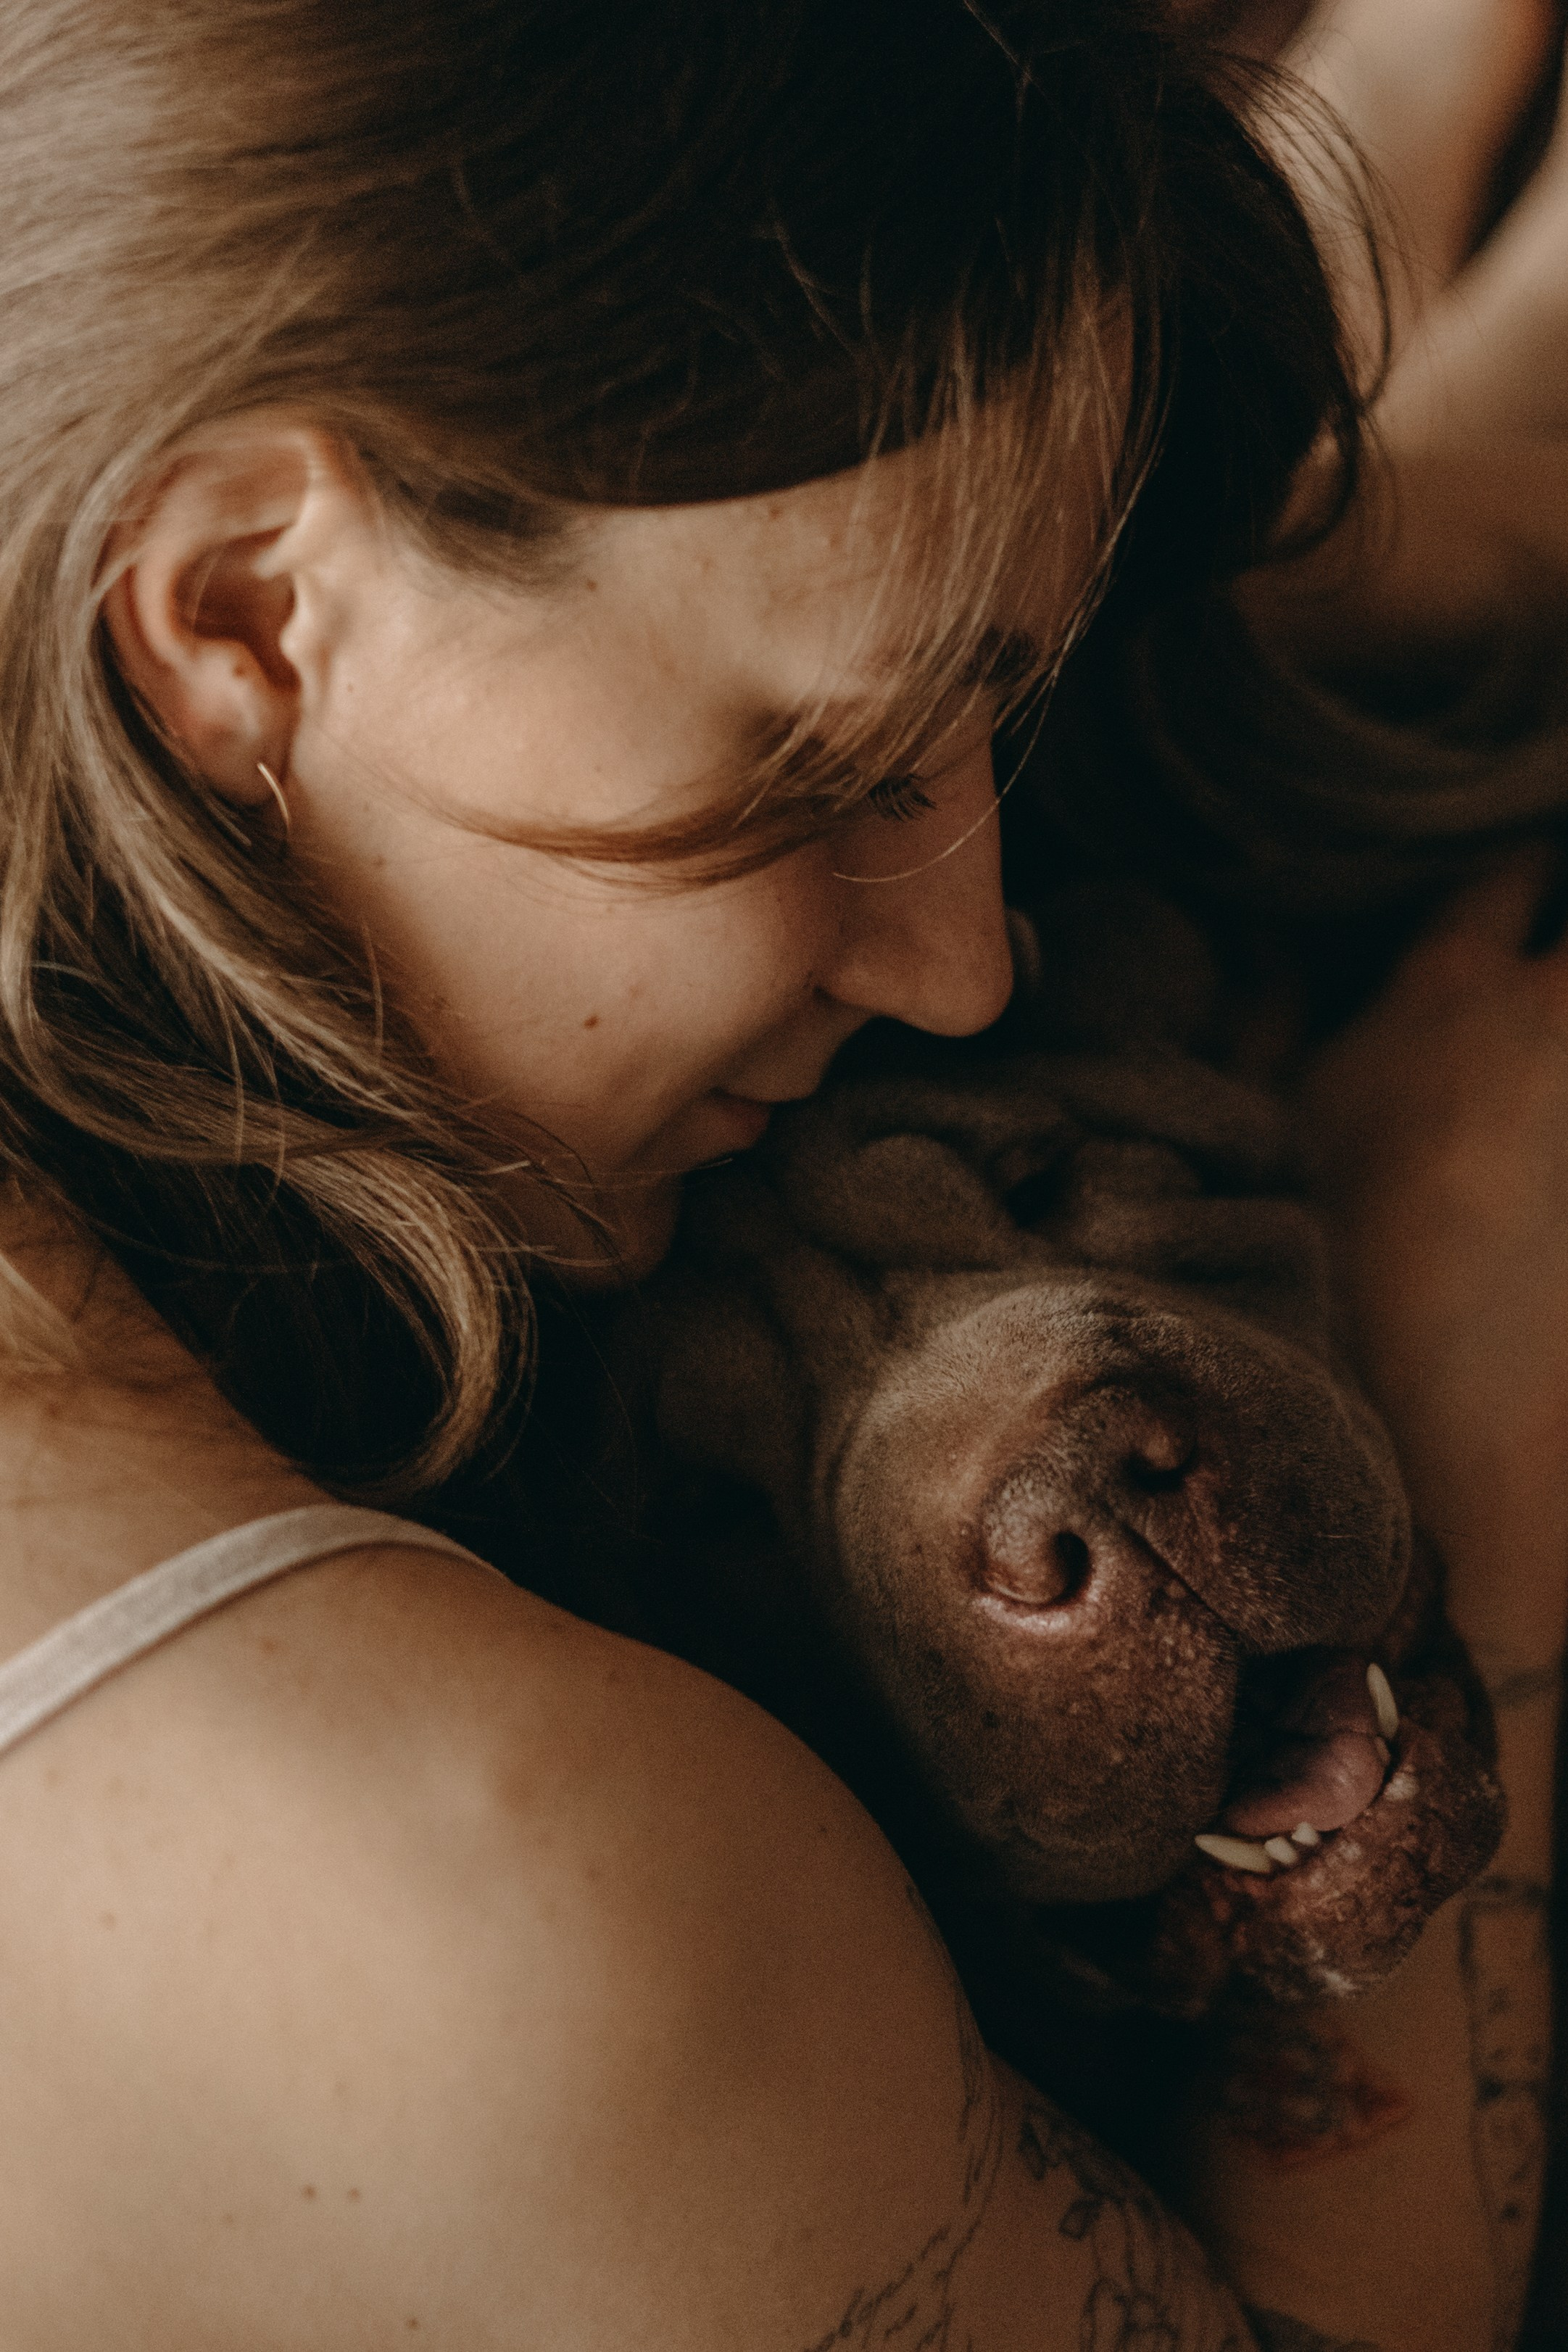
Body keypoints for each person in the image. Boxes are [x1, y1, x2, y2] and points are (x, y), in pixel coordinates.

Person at [0, 1, 1559, 2345]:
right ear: (241, 608)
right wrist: (1476, 1459)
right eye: (821, 770)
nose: (959, 965)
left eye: (991, 713)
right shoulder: (488, 1898)